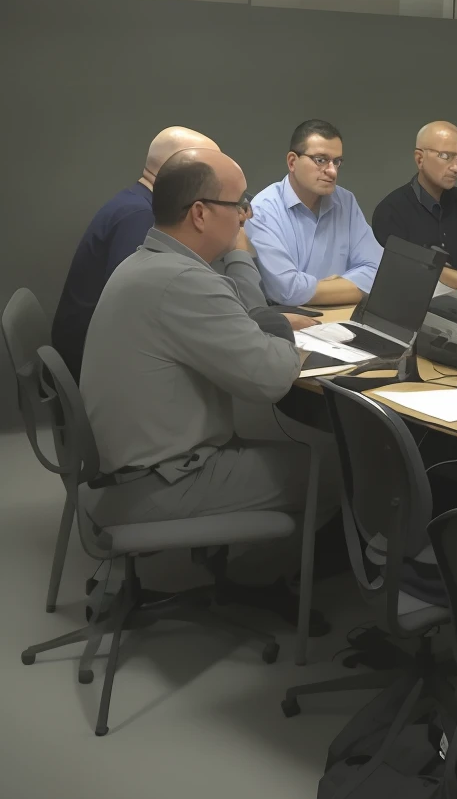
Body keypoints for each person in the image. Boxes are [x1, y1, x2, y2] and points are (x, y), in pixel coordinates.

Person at [80, 148, 333, 528]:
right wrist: (277, 325)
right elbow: (272, 378)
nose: (246, 215)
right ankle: (299, 581)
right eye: (239, 204)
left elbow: (244, 317)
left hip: (135, 466)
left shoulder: (147, 261)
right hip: (162, 483)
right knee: (333, 468)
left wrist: (243, 273)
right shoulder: (183, 282)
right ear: (200, 213)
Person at [51, 126, 219, 378]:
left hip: (90, 352)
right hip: (95, 367)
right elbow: (138, 310)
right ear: (177, 172)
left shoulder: (135, 203)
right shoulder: (141, 217)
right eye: (210, 170)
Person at [246, 119, 383, 306]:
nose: (332, 172)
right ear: (292, 162)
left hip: (345, 316)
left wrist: (314, 290)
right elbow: (287, 291)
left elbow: (378, 271)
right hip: (293, 324)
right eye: (321, 160)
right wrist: (348, 285)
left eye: (337, 161)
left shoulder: (345, 201)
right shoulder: (263, 210)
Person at [370, 120, 457, 288]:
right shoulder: (391, 211)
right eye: (445, 156)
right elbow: (418, 270)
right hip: (418, 309)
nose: (456, 167)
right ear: (420, 159)